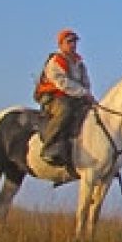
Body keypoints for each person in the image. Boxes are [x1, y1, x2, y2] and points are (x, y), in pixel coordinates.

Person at [33, 28, 96, 167]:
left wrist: (88, 95)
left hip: (75, 96)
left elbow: (86, 82)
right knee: (65, 111)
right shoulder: (57, 60)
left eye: (74, 41)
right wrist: (83, 92)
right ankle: (48, 147)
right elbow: (62, 83)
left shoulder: (80, 63)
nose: (73, 44)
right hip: (55, 97)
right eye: (69, 41)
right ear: (61, 44)